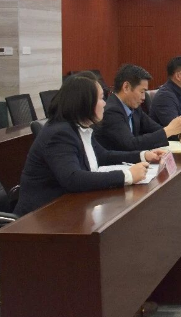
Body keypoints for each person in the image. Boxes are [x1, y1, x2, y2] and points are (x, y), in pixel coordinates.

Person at [14, 72, 164, 217]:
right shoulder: (59, 134)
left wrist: (143, 155)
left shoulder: (80, 126)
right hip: (42, 217)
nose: (105, 103)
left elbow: (103, 156)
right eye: (101, 98)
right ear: (85, 103)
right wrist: (127, 175)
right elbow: (73, 178)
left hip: (71, 207)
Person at [94, 64, 181, 151]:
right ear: (126, 87)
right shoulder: (111, 111)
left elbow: (153, 128)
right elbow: (130, 144)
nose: (144, 97)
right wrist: (168, 131)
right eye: (142, 91)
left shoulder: (134, 107)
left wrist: (179, 135)